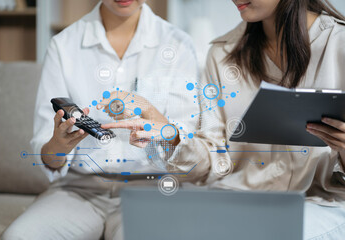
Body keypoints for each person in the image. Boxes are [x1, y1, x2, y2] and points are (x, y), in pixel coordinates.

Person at [110, 0, 344, 239]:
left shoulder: (339, 44)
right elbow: (213, 162)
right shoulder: (222, 53)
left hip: (320, 206)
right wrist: (172, 135)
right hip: (236, 200)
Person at [2, 0, 203, 239]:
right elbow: (48, 158)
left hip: (152, 188)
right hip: (78, 189)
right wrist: (58, 145)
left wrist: (147, 110)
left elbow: (188, 145)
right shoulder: (63, 45)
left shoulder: (178, 44)